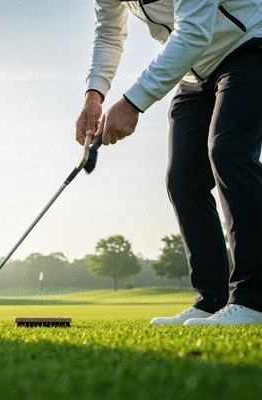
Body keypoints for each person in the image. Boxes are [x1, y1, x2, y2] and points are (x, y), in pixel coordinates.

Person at [76, 0, 262, 325]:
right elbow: (108, 34)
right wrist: (94, 95)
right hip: (193, 71)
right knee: (183, 179)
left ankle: (254, 298)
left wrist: (133, 102)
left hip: (248, 46)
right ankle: (211, 301)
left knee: (229, 153)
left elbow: (194, 31)